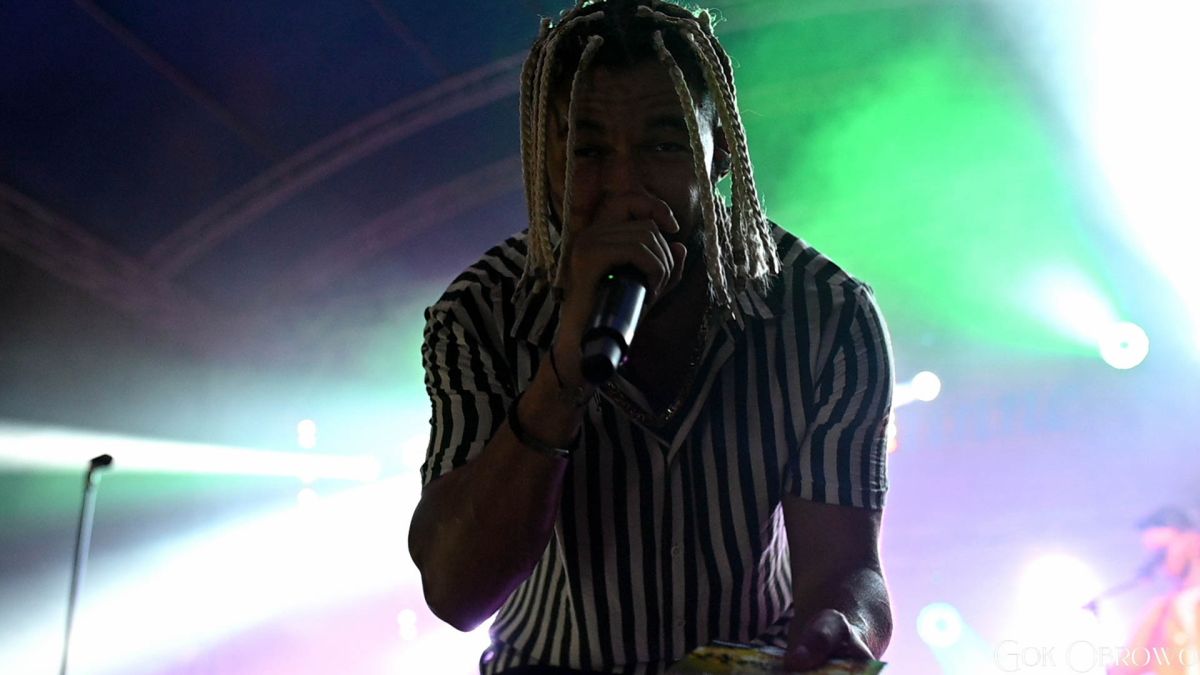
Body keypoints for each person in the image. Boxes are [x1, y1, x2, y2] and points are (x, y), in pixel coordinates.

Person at [408, 1, 895, 673]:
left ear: (721, 148)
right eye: (588, 151)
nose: (626, 187)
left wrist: (842, 627)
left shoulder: (827, 314)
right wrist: (562, 377)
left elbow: (846, 566)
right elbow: (456, 592)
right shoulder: (481, 314)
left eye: (665, 145)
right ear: (545, 158)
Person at [1112, 507, 1200, 675]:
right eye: (1155, 555)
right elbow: (1127, 666)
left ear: (1193, 539)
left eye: (1162, 551)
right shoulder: (1162, 610)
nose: (1159, 562)